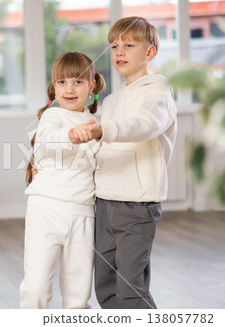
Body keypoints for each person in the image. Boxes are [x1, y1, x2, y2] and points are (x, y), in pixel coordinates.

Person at [71, 17, 177, 309]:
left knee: (130, 287)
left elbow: (145, 125)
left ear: (149, 53)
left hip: (137, 204)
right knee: (105, 287)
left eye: (129, 45)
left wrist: (103, 129)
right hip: (104, 202)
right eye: (115, 45)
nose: (119, 51)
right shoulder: (113, 100)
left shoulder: (158, 90)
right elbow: (100, 150)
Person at [20, 52, 105, 309]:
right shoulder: (52, 117)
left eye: (78, 82)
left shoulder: (99, 124)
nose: (69, 89)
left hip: (83, 213)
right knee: (35, 289)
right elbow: (45, 142)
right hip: (45, 210)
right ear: (53, 88)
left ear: (91, 86)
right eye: (62, 82)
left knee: (78, 297)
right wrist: (70, 135)